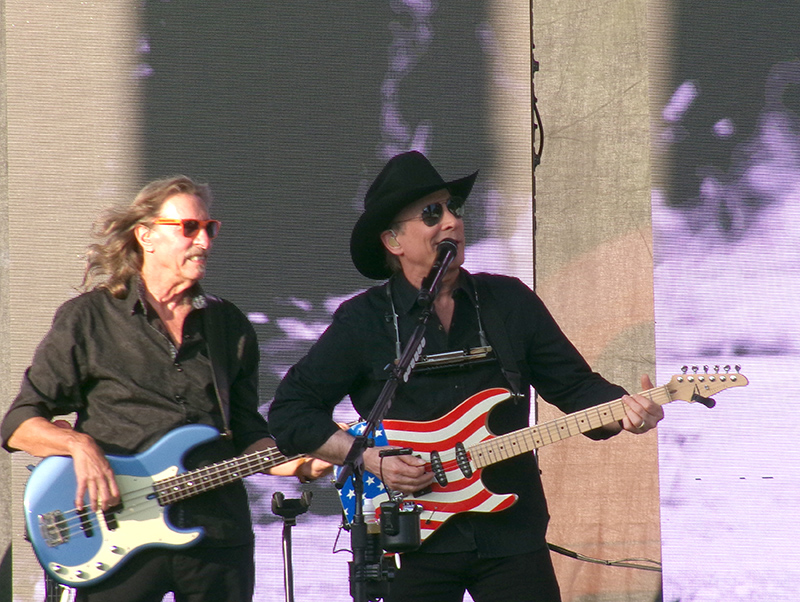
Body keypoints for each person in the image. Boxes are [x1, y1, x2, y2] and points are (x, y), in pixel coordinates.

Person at [267, 151, 665, 602]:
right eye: (432, 213)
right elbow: (290, 412)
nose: (452, 221)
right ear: (394, 240)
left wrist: (621, 410)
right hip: (410, 540)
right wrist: (369, 458)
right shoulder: (363, 321)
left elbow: (575, 387)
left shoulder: (508, 302)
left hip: (511, 533)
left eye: (454, 207)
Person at [1, 176, 328, 602]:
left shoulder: (228, 326)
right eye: (189, 227)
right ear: (146, 235)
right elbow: (19, 423)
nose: (204, 241)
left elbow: (245, 431)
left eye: (209, 228)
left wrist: (297, 462)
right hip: (117, 533)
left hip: (217, 535)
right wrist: (80, 446)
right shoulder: (89, 318)